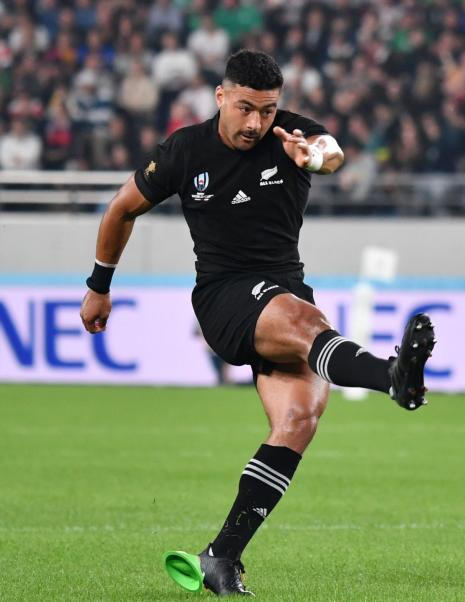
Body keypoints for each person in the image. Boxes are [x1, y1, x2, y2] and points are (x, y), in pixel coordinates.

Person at [78, 50, 436, 596]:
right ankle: (393, 377)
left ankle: (220, 557)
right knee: (303, 321)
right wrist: (99, 287)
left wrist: (312, 157)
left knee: (299, 420)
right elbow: (121, 208)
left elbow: (332, 154)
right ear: (221, 97)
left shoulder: (291, 134)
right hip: (225, 298)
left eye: (267, 111)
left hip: (285, 293)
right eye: (245, 108)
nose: (255, 123)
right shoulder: (185, 149)